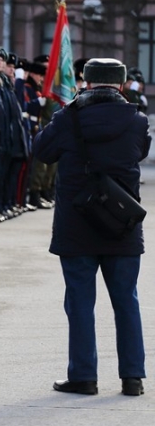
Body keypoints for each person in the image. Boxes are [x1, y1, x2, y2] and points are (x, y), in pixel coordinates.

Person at [32, 58, 150, 397]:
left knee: (80, 301)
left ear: (84, 82)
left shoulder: (69, 117)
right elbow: (138, 152)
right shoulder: (136, 119)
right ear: (122, 84)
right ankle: (133, 378)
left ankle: (84, 377)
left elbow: (42, 151)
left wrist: (66, 113)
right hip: (121, 220)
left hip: (77, 222)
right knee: (126, 299)